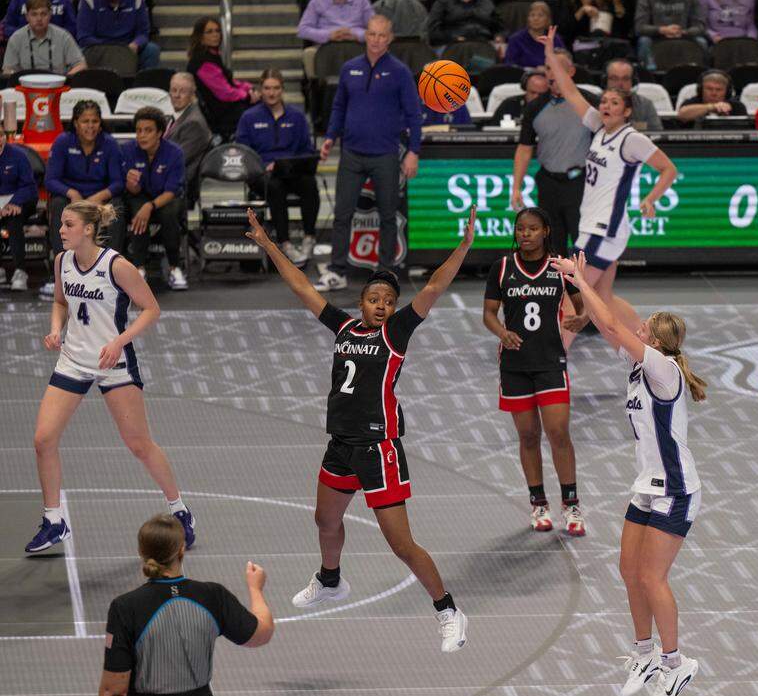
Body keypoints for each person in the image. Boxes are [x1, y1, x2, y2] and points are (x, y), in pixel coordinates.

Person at [244, 204, 476, 653]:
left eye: (389, 302)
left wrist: (464, 245)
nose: (383, 307)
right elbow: (301, 287)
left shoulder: (397, 334)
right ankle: (330, 579)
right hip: (341, 445)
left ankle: (448, 610)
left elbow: (432, 286)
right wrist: (269, 244)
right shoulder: (344, 327)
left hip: (378, 449)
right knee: (325, 520)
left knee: (401, 543)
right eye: (375, 300)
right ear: (362, 303)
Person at [551, 250, 706, 696]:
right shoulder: (641, 366)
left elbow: (614, 326)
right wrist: (582, 289)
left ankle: (677, 664)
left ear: (656, 340)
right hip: (647, 485)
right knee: (628, 572)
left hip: (677, 491)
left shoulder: (663, 369)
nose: (636, 328)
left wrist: (581, 281)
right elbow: (606, 328)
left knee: (652, 577)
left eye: (645, 328)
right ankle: (643, 655)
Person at [26, 201, 197, 553]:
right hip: (73, 359)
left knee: (139, 444)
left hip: (113, 362)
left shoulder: (117, 266)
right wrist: (56, 329)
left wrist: (119, 341)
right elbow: (60, 301)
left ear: (88, 229)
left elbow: (152, 309)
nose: (61, 230)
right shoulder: (62, 262)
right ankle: (54, 520)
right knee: (43, 440)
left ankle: (180, 511)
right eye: (61, 224)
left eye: (68, 224)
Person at [540, 27, 677, 347]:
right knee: (603, 299)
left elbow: (669, 169)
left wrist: (650, 198)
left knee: (572, 297)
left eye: (614, 102)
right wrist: (549, 55)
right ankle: (647, 350)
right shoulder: (599, 129)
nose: (606, 105)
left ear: (626, 110)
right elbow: (570, 91)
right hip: (594, 227)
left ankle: (554, 364)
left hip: (605, 230)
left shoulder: (631, 138)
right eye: (603, 101)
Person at [98, 514, 273, 696]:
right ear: (182, 549)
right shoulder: (212, 596)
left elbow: (114, 693)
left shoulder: (126, 608)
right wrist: (255, 589)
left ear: (141, 551)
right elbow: (261, 634)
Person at [483, 207, 587, 534]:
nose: (525, 234)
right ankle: (538, 503)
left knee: (558, 432)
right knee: (528, 435)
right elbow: (488, 314)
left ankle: (571, 505)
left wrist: (580, 318)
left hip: (550, 362)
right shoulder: (502, 268)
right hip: (515, 366)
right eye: (520, 229)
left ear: (545, 231)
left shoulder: (558, 267)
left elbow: (584, 303)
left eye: (532, 229)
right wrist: (502, 332)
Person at [319, 15, 421, 292]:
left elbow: (414, 114)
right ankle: (337, 270)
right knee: (342, 214)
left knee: (388, 216)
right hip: (351, 153)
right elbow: (338, 107)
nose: (376, 40)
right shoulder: (349, 69)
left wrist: (413, 152)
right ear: (366, 35)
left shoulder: (399, 72)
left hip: (385, 155)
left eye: (382, 35)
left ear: (390, 38)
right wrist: (330, 138)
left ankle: (385, 272)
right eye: (372, 34)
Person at [510, 47, 598, 253]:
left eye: (558, 67)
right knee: (551, 244)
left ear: (571, 71)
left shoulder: (590, 103)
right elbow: (524, 148)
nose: (552, 72)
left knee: (583, 243)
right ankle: (557, 285)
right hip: (548, 182)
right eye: (549, 68)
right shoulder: (535, 107)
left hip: (581, 182)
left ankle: (582, 285)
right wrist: (516, 187)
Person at [41, 100, 126, 300]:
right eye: (85, 121)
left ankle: (111, 272)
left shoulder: (110, 144)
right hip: (72, 198)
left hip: (99, 198)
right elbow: (51, 179)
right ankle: (63, 273)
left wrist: (99, 197)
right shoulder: (63, 142)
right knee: (57, 204)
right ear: (76, 123)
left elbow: (118, 183)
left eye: (95, 121)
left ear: (100, 123)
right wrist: (72, 193)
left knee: (118, 207)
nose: (90, 126)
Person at [236, 69, 319, 267]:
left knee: (309, 183)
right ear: (261, 90)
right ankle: (285, 242)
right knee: (275, 186)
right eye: (267, 88)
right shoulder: (249, 117)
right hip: (262, 175)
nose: (271, 93)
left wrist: (292, 163)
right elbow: (243, 152)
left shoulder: (297, 117)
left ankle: (309, 237)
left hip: (291, 171)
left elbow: (306, 150)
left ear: (282, 90)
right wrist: (264, 166)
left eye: (275, 88)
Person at [121, 106, 188, 290]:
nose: (142, 135)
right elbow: (123, 186)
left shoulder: (175, 153)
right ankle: (139, 269)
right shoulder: (127, 150)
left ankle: (175, 268)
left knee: (169, 213)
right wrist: (129, 184)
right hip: (139, 197)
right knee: (136, 211)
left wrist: (150, 206)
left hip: (166, 199)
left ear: (160, 132)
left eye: (148, 130)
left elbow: (173, 190)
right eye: (139, 130)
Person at [187, 16, 260, 139]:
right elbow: (225, 93)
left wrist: (248, 87)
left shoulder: (213, 55)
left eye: (217, 31)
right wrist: (247, 96)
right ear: (200, 37)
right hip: (220, 113)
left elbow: (227, 81)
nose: (215, 35)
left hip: (227, 106)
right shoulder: (202, 61)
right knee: (261, 111)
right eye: (209, 32)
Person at [2, 0, 86, 76]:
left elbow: (81, 65)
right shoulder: (16, 38)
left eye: (43, 14)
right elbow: (8, 70)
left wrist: (64, 79)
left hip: (58, 88)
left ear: (50, 15)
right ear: (27, 17)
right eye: (34, 14)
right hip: (25, 88)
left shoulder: (63, 36)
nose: (39, 19)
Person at [0, 131, 39, 292]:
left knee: (13, 218)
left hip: (20, 198)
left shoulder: (18, 155)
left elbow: (29, 186)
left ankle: (20, 271)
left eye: (0, 135)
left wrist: (15, 202)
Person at [297, 0, 374, 80]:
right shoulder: (317, 2)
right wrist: (329, 35)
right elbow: (302, 30)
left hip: (357, 44)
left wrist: (356, 35)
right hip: (327, 45)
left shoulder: (362, 1)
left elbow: (376, 30)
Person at [166, 72, 213, 202]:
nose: (177, 95)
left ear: (192, 95)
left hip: (177, 184)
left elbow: (176, 159)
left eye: (183, 91)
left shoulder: (193, 122)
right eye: (173, 90)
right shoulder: (179, 116)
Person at [76, 0, 160, 71]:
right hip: (98, 47)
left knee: (151, 50)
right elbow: (84, 36)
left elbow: (143, 32)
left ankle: (144, 86)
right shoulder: (89, 1)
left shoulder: (137, 0)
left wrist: (136, 43)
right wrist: (111, 47)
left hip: (129, 47)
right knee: (78, 53)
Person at [635, 0, 708, 70]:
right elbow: (639, 27)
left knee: (702, 42)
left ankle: (703, 74)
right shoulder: (645, 0)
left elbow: (700, 27)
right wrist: (662, 30)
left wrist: (683, 32)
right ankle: (645, 74)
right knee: (644, 41)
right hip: (655, 36)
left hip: (683, 34)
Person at [605, 58, 663, 130]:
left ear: (633, 81)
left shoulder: (645, 104)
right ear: (605, 80)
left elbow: (657, 133)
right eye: (614, 78)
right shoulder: (594, 102)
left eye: (625, 79)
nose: (620, 84)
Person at [506, 1, 566, 67]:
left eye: (540, 15)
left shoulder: (555, 39)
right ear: (528, 19)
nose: (536, 18)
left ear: (548, 19)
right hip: (524, 76)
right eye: (532, 15)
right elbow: (511, 66)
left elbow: (564, 62)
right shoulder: (515, 39)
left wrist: (548, 70)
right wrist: (533, 71)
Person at [675, 69, 747, 124]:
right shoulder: (692, 103)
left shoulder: (737, 106)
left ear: (727, 92)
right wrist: (711, 107)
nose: (714, 93)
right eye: (709, 89)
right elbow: (682, 115)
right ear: (701, 90)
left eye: (719, 90)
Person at [427, 0, 500, 48]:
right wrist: (453, 38)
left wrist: (499, 36)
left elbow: (499, 27)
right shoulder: (442, 2)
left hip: (483, 44)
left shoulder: (486, 2)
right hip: (451, 44)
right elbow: (433, 32)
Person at [3, 0, 77, 39]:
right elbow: (7, 27)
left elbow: (73, 28)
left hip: (57, 46)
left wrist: (53, 36)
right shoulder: (18, 1)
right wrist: (28, 35)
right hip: (23, 46)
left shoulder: (64, 1)